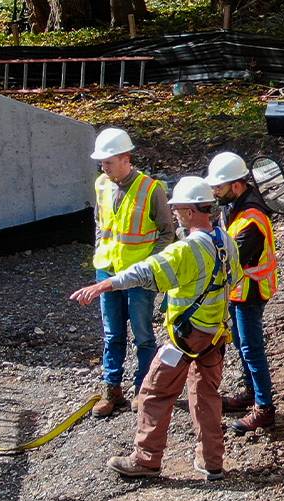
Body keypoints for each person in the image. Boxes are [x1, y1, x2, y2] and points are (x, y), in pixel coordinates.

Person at [71, 177, 242, 481]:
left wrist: (103, 285)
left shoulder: (187, 250)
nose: (174, 213)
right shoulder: (224, 239)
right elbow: (236, 277)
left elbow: (145, 272)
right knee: (206, 397)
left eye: (177, 209)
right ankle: (211, 463)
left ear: (190, 211)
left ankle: (146, 460)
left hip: (185, 339)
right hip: (215, 335)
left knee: (153, 392)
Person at [88, 127, 174, 417]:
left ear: (125, 158)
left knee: (142, 334)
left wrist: (150, 266)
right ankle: (112, 389)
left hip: (139, 277)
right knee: (112, 335)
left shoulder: (151, 189)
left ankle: (143, 389)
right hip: (107, 272)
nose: (103, 166)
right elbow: (101, 223)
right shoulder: (102, 184)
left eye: (108, 161)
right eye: (101, 162)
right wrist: (100, 250)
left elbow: (166, 233)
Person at [205, 152, 279, 434]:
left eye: (219, 187)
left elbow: (231, 259)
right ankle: (251, 394)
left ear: (236, 185)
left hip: (251, 292)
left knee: (251, 348)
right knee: (242, 344)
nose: (215, 192)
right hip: (239, 292)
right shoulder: (234, 206)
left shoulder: (250, 219)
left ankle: (264, 408)